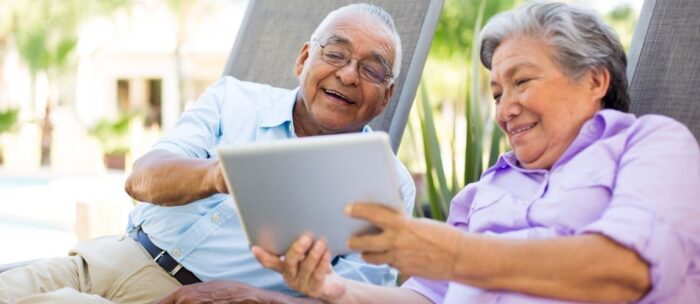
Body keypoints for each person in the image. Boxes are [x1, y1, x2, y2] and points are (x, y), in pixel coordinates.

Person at [253, 1, 700, 303]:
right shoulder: (484, 190)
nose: (506, 109)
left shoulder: (652, 145)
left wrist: (455, 254)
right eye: (497, 94)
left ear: (594, 81)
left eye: (522, 82)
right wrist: (336, 289)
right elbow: (425, 298)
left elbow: (627, 270)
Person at [0, 3, 416, 304]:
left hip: (209, 299)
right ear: (304, 58)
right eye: (336, 54)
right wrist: (223, 175)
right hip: (106, 259)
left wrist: (258, 298)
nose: (347, 74)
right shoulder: (233, 99)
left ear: (387, 96)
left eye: (372, 70)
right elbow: (141, 179)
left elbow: (362, 297)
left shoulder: (387, 182)